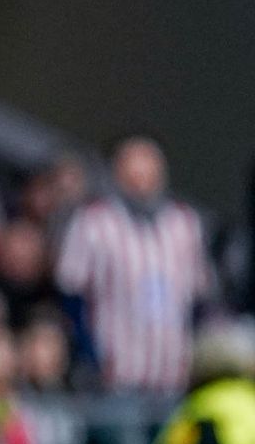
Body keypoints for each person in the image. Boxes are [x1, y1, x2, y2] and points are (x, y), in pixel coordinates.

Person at [55, 137, 212, 394]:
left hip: (173, 375)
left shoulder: (184, 223)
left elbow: (198, 298)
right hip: (116, 375)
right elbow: (71, 292)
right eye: (132, 171)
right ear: (117, 173)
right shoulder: (94, 222)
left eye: (148, 170)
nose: (141, 180)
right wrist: (90, 356)